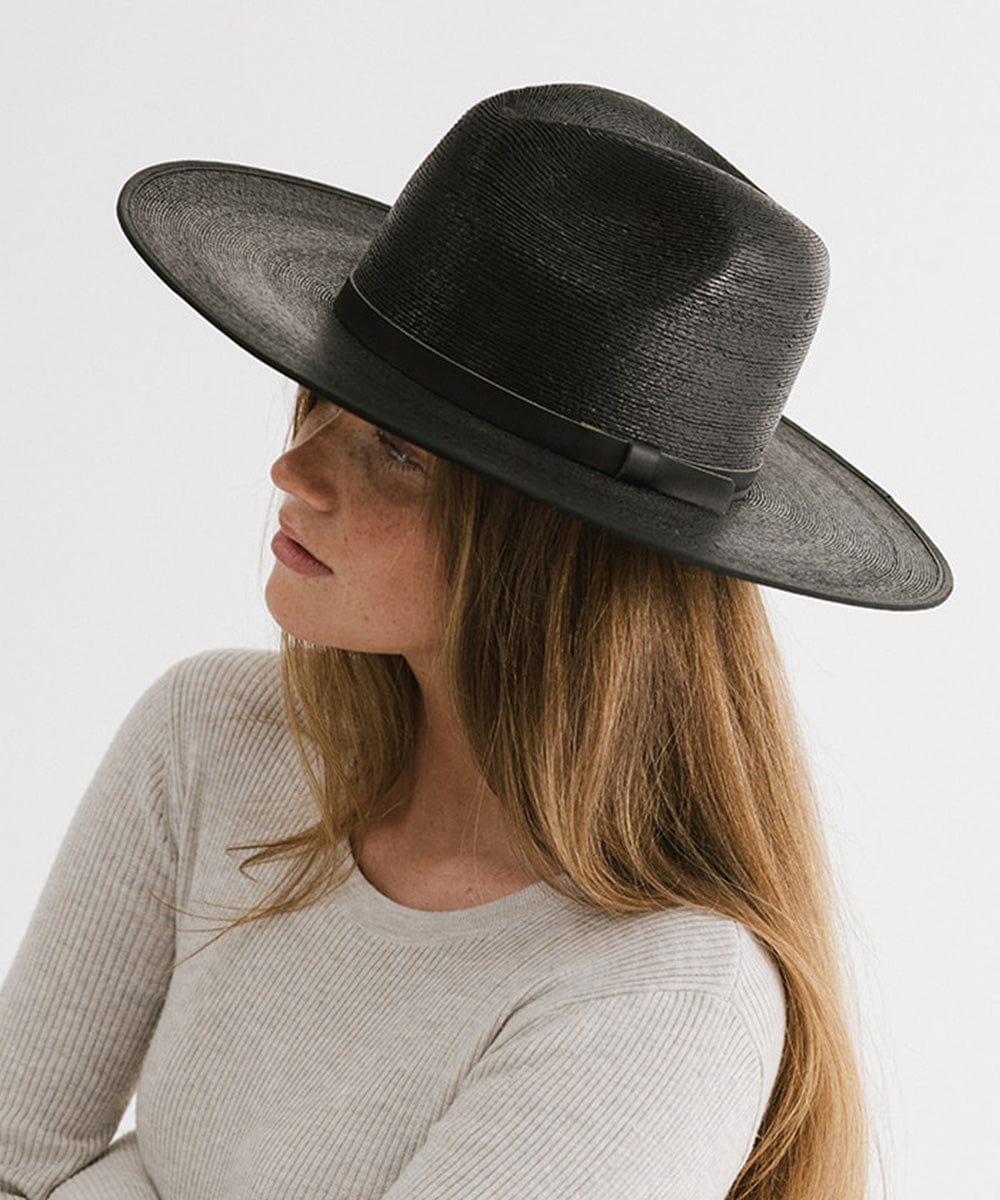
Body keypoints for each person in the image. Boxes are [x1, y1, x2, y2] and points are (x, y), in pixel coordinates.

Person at [0, 82, 952, 1200]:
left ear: (558, 552)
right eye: (320, 401)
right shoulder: (210, 739)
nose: (294, 472)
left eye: (396, 453)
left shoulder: (661, 996)